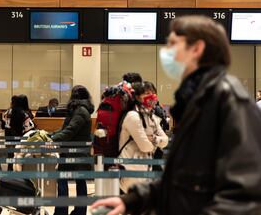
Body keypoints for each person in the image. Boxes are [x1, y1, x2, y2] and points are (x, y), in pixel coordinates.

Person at [91, 15, 261, 215]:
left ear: (196, 48)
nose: (166, 52)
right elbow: (183, 178)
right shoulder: (195, 100)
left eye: (173, 44)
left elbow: (245, 192)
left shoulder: (228, 101)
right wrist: (134, 200)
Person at [51, 85, 95, 215]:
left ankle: (62, 211)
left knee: (63, 180)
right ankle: (79, 211)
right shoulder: (80, 110)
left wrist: (53, 139)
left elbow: (70, 131)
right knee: (80, 183)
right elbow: (66, 128)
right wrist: (51, 134)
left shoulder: (80, 111)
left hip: (74, 153)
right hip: (79, 152)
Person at [118, 82, 168, 193]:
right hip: (131, 173)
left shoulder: (152, 117)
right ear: (137, 97)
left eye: (153, 93)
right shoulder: (133, 116)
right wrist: (156, 143)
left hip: (145, 170)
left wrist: (154, 139)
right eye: (147, 93)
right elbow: (145, 147)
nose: (152, 96)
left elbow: (165, 141)